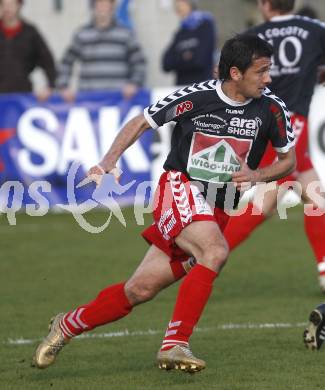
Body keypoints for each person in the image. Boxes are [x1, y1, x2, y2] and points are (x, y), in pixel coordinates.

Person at [32, 34, 295, 373]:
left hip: (218, 207)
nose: (268, 78)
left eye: (268, 70)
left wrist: (258, 176)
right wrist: (109, 160)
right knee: (214, 252)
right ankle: (175, 344)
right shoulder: (196, 97)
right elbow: (142, 121)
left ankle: (67, 324)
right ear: (234, 73)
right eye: (260, 71)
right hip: (179, 188)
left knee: (138, 290)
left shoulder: (272, 108)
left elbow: (287, 161)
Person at [222, 0, 325, 292]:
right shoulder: (316, 29)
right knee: (267, 201)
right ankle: (206, 253)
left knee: (314, 194)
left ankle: (324, 268)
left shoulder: (251, 37)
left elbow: (226, 78)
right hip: (289, 121)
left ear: (265, 5)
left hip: (260, 121)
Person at [56, 0, 146, 102]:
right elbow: (66, 62)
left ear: (112, 6)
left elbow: (139, 62)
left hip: (119, 99)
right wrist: (64, 87)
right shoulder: (82, 34)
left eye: (105, 4)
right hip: (88, 100)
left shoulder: (126, 33)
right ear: (93, 6)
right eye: (99, 4)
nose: (102, 7)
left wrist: (134, 84)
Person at [0, 0, 56, 100]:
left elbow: (47, 61)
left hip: (23, 96)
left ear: (19, 5)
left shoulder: (30, 33)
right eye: (4, 4)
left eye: (11, 4)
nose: (7, 8)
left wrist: (50, 87)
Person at [162, 0, 217, 85]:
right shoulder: (180, 32)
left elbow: (200, 61)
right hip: (182, 89)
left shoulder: (206, 26)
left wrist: (179, 59)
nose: (177, 7)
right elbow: (166, 64)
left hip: (203, 86)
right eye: (176, 5)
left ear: (190, 4)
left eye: (180, 3)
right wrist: (186, 57)